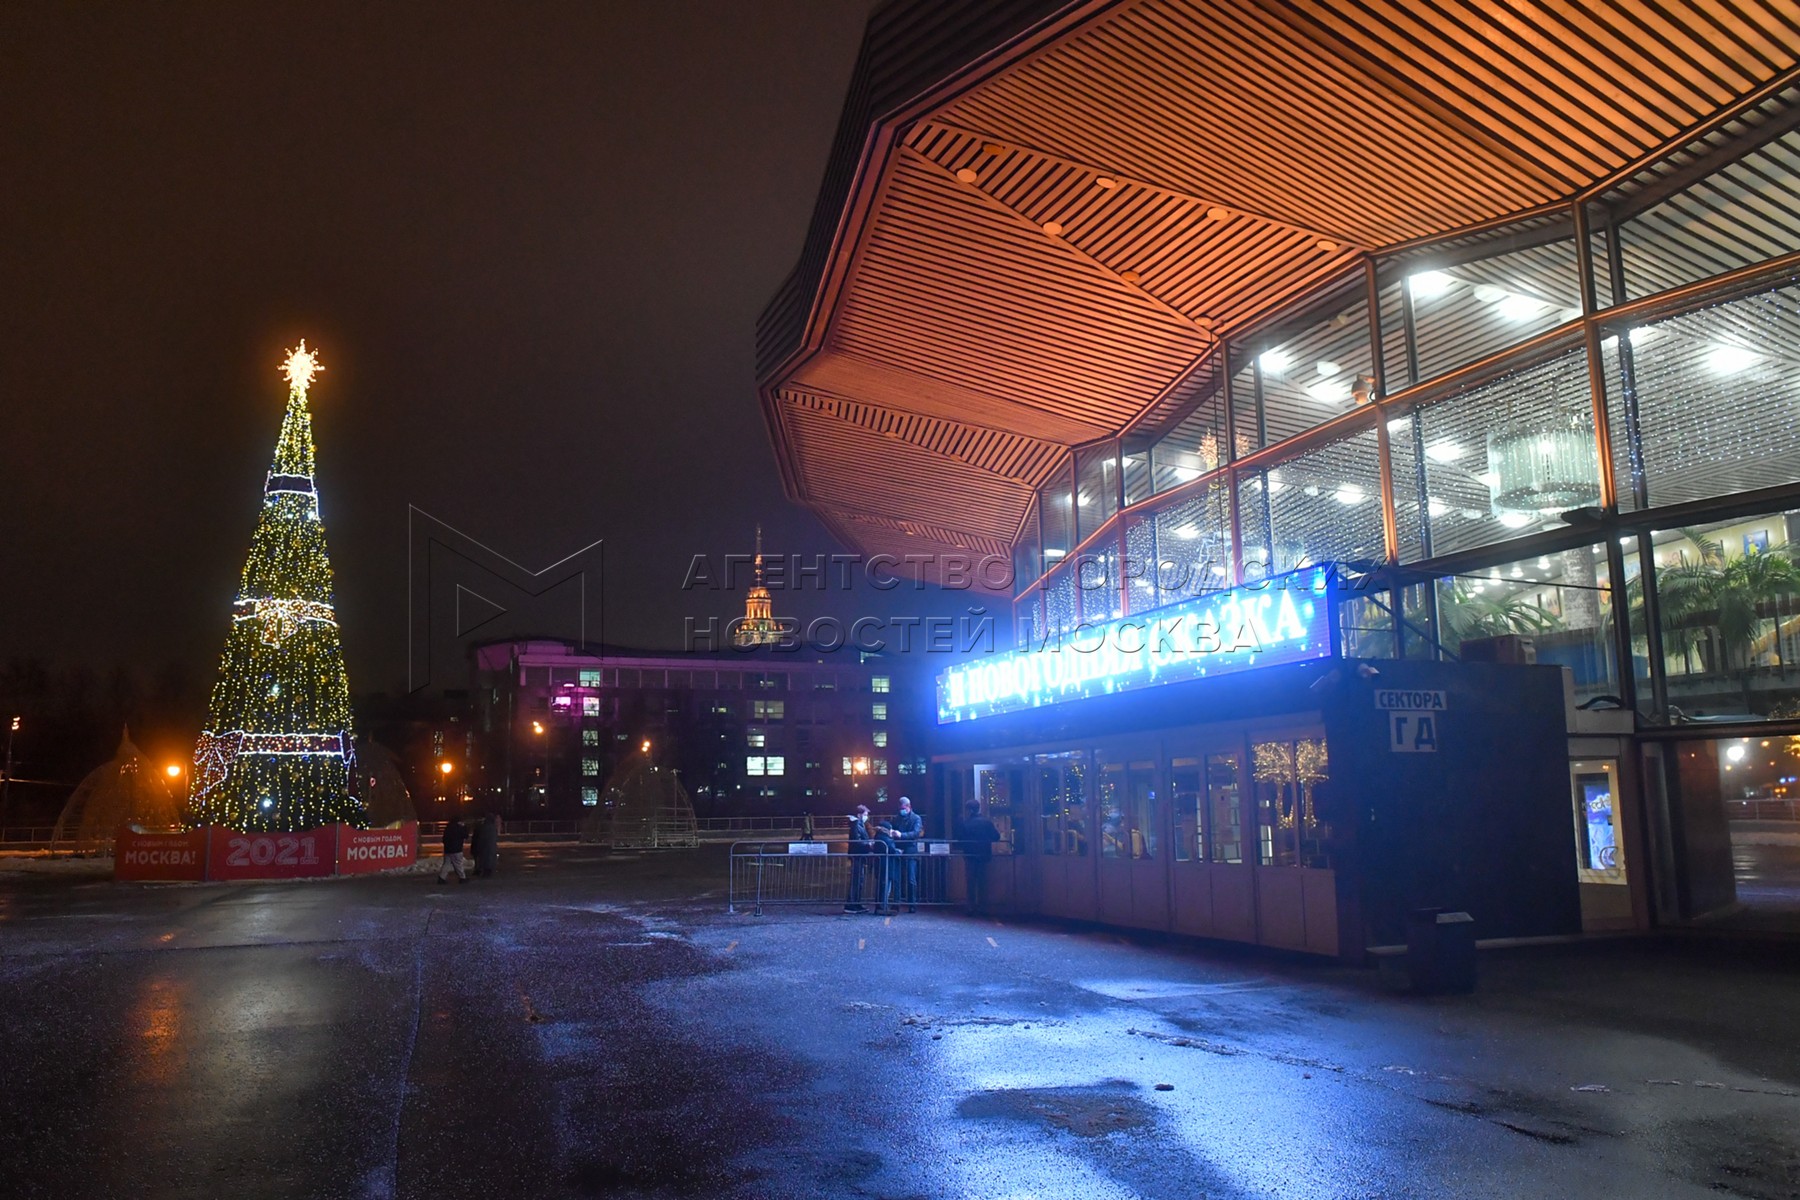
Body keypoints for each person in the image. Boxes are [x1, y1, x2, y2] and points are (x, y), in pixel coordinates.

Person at [879, 796, 924, 912]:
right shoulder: (897, 818)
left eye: (903, 808)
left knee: (911, 878)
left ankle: (912, 904)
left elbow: (916, 833)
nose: (901, 810)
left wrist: (901, 835)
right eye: (900, 808)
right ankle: (896, 903)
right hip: (898, 850)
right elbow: (892, 829)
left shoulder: (916, 818)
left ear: (909, 807)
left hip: (910, 851)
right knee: (897, 879)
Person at [958, 800, 1001, 916]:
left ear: (969, 810)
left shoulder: (966, 823)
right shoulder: (986, 822)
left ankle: (971, 907)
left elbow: (960, 840)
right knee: (982, 882)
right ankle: (983, 907)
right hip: (983, 855)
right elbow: (996, 836)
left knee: (971, 883)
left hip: (970, 856)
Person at [843, 804, 874, 913]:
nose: (867, 816)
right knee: (856, 880)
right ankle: (851, 904)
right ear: (859, 814)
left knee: (859, 880)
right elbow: (857, 841)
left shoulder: (859, 824)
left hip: (859, 855)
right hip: (857, 856)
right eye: (865, 814)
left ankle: (856, 903)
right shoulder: (856, 825)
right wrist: (868, 845)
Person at [437, 815, 469, 884]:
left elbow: (444, 839)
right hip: (456, 849)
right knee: (458, 864)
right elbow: (466, 835)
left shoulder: (448, 828)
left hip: (447, 849)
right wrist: (464, 827)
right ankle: (462, 877)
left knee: (446, 864)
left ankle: (441, 877)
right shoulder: (459, 828)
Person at [472, 813, 499, 878]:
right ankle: (489, 870)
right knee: (490, 858)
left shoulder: (483, 827)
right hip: (491, 846)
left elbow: (481, 838)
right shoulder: (493, 827)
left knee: (484, 858)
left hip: (485, 846)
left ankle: (485, 871)